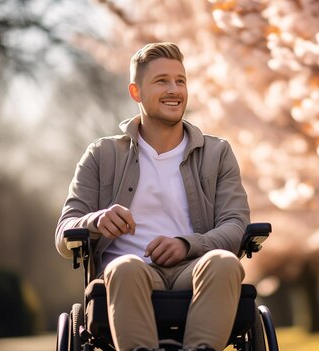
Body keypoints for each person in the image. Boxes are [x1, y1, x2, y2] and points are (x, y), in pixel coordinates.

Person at [55, 42, 250, 351]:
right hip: (129, 273)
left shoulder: (217, 153)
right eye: (162, 81)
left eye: (180, 81)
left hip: (194, 269)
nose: (174, 89)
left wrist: (187, 244)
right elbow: (64, 232)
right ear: (136, 92)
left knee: (224, 262)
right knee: (125, 267)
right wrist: (97, 220)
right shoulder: (102, 154)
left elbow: (236, 226)